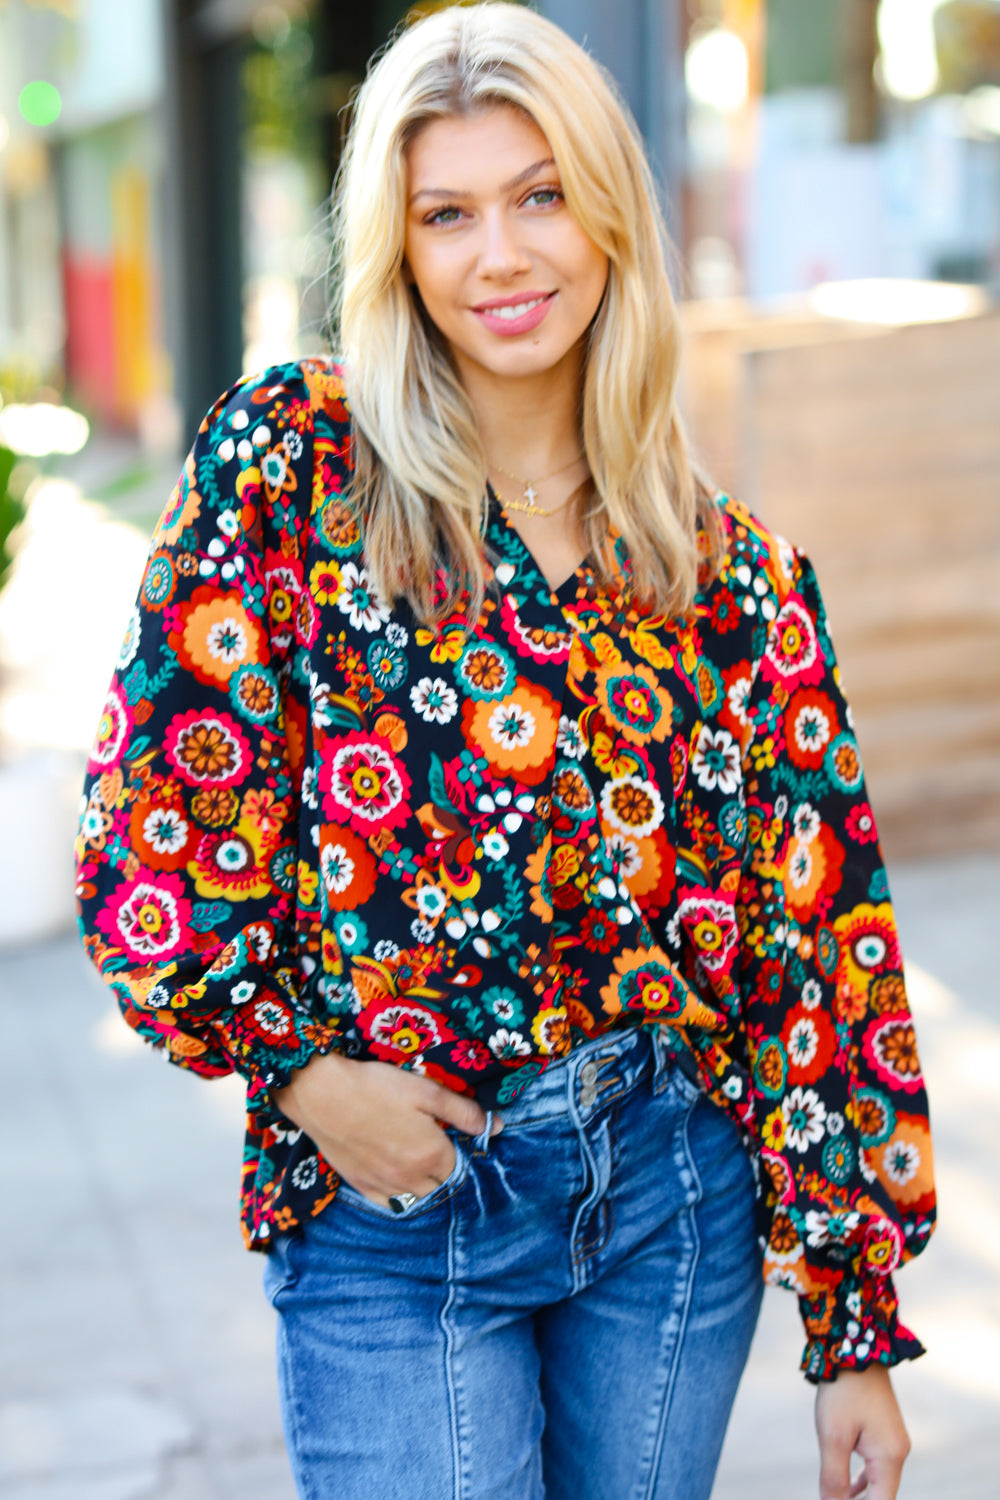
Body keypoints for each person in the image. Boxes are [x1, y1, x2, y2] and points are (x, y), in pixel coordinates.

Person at [75, 6, 935, 1498]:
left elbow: (824, 952)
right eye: (447, 213)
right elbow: (150, 835)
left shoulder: (731, 578)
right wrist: (300, 1080)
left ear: (608, 213)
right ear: (397, 248)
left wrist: (853, 1318)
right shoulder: (294, 469)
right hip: (396, 1209)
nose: (501, 255)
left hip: (674, 1196)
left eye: (540, 195)